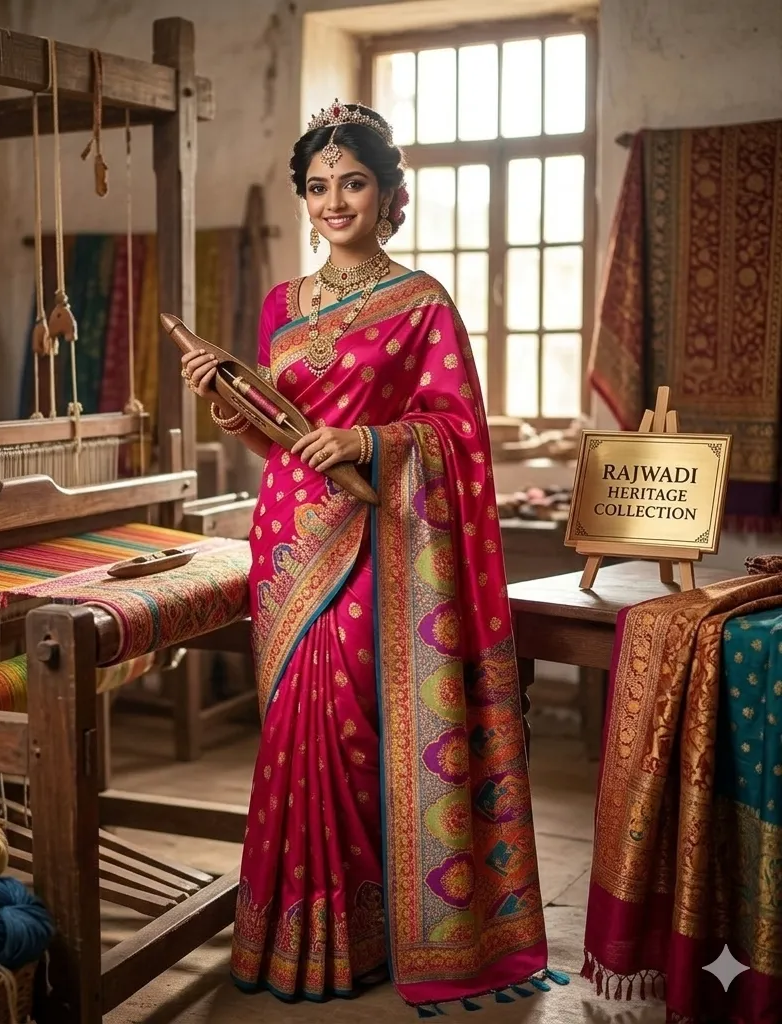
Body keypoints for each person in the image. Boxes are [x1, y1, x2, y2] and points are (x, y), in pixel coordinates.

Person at [180, 101, 566, 1014]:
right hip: (287, 539)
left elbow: (457, 431)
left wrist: (369, 441)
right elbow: (277, 436)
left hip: (376, 540)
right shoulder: (282, 306)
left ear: (390, 195)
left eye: (352, 182)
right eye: (318, 186)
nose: (334, 201)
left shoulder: (421, 302)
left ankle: (374, 933)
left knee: (353, 727)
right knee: (291, 731)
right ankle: (295, 936)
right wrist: (226, 400)